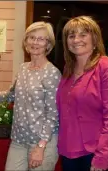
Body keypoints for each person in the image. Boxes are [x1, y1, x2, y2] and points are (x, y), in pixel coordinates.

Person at [0, 21, 61, 170]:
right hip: (19, 140)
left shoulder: (52, 73)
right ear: (26, 41)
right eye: (32, 37)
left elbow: (53, 114)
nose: (35, 42)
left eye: (41, 39)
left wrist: (41, 146)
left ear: (48, 44)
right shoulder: (23, 68)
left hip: (41, 142)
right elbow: (11, 95)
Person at [56, 16, 108, 171]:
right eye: (71, 36)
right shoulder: (68, 70)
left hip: (94, 152)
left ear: (95, 38)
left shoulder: (104, 67)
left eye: (83, 34)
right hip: (68, 151)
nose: (76, 39)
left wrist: (103, 156)